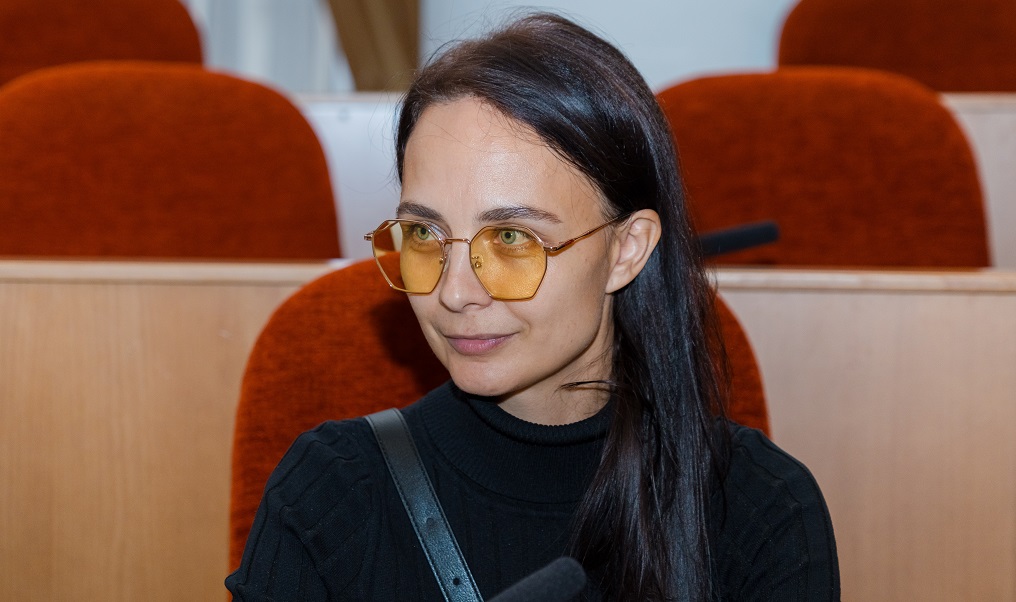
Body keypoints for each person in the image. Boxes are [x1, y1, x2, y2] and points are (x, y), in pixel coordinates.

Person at [226, 12, 839, 601]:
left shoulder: (761, 510)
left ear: (626, 249)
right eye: (424, 234)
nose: (455, 292)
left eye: (512, 238)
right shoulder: (327, 494)